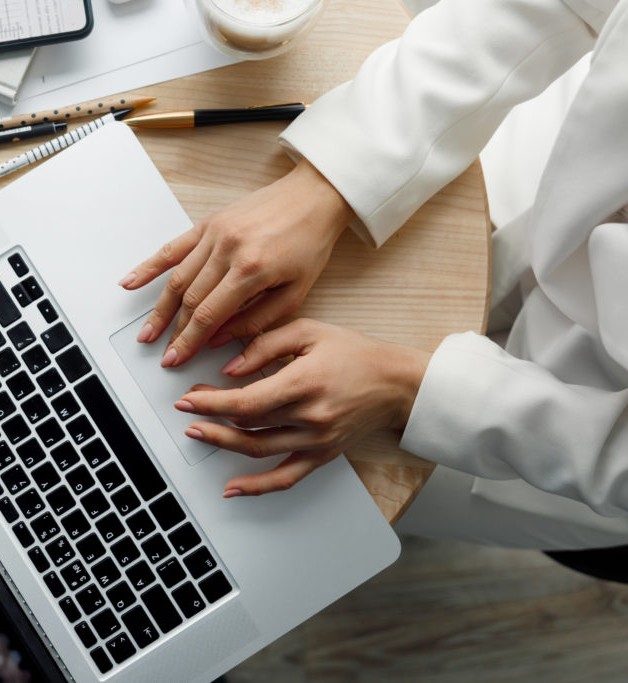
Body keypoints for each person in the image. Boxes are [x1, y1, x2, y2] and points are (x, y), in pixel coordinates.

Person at [121, 0, 628, 550]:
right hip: (548, 168)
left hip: (579, 433)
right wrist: (330, 182)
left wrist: (407, 390)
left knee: (310, 510)